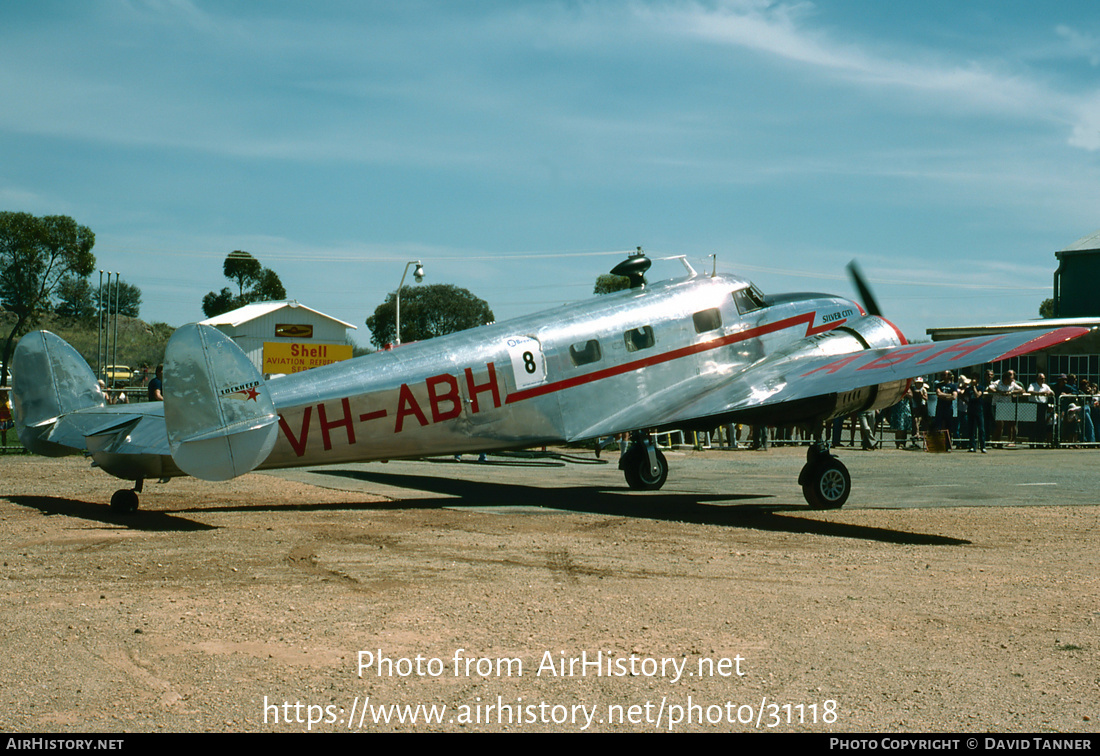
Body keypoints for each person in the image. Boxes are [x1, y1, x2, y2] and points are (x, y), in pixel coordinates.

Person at [962, 372, 986, 453]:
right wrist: (966, 401)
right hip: (971, 410)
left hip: (979, 410)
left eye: (974, 379)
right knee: (971, 429)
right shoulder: (968, 389)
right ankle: (972, 446)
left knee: (981, 429)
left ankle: (982, 446)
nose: (972, 380)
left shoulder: (981, 387)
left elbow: (977, 395)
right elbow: (962, 396)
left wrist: (974, 387)